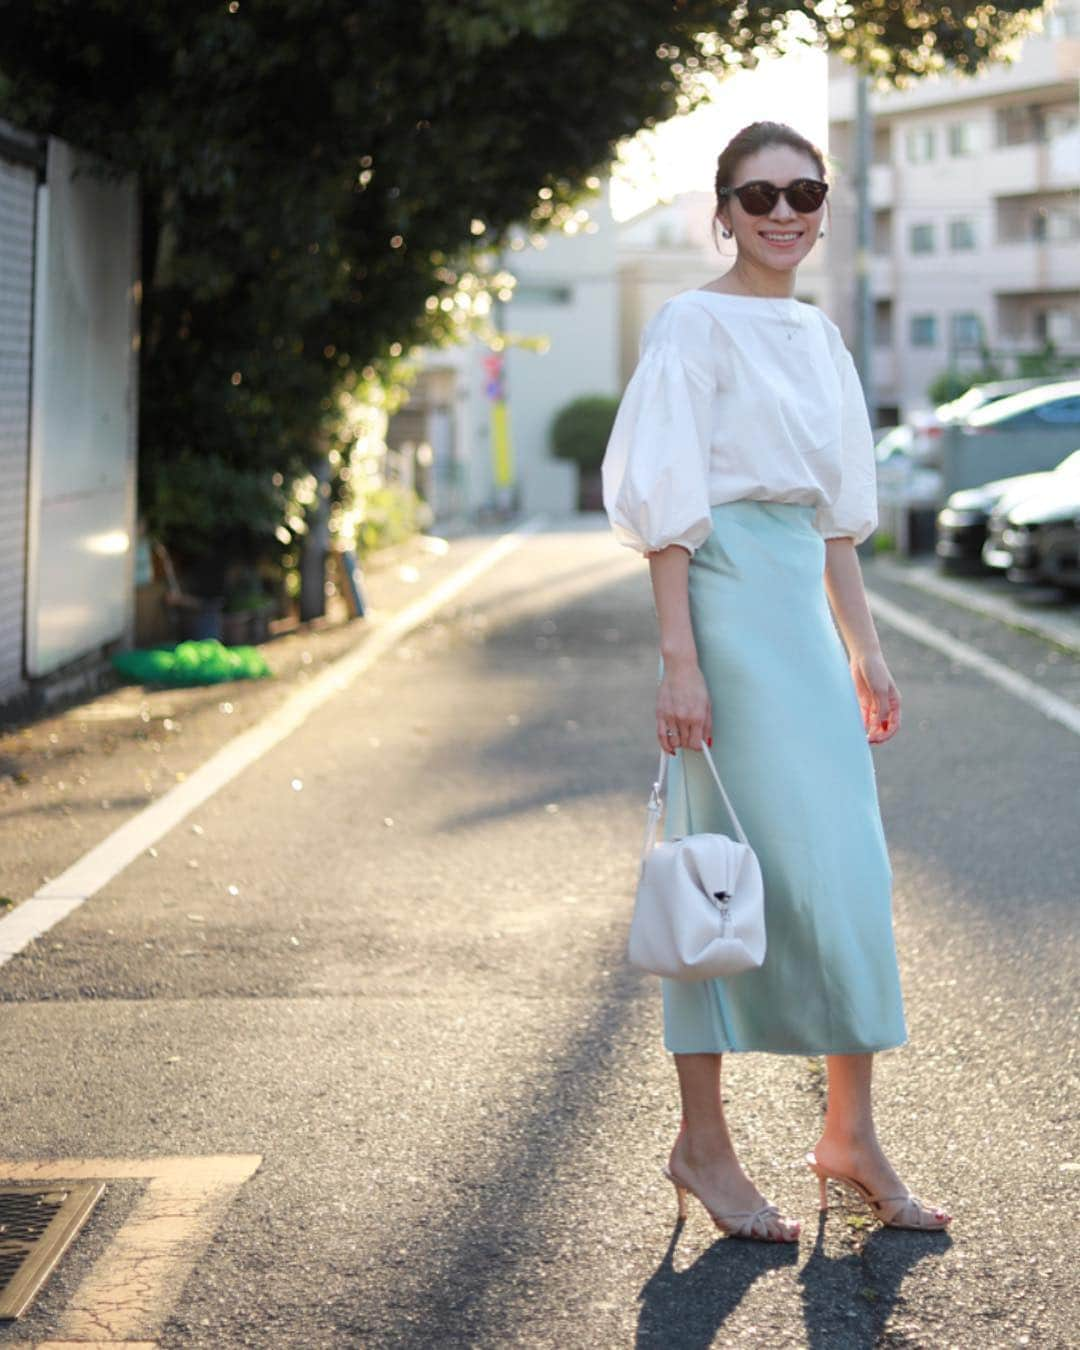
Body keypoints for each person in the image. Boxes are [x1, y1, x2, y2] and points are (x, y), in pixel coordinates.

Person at [601, 120, 952, 1243]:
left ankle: (850, 1134)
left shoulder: (821, 338)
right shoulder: (691, 326)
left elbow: (836, 518)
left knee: (847, 872)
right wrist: (679, 663)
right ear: (724, 209)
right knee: (723, 868)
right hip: (723, 614)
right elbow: (664, 510)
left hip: (800, 615)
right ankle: (704, 1145)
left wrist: (868, 646)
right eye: (761, 195)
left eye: (806, 192)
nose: (786, 212)